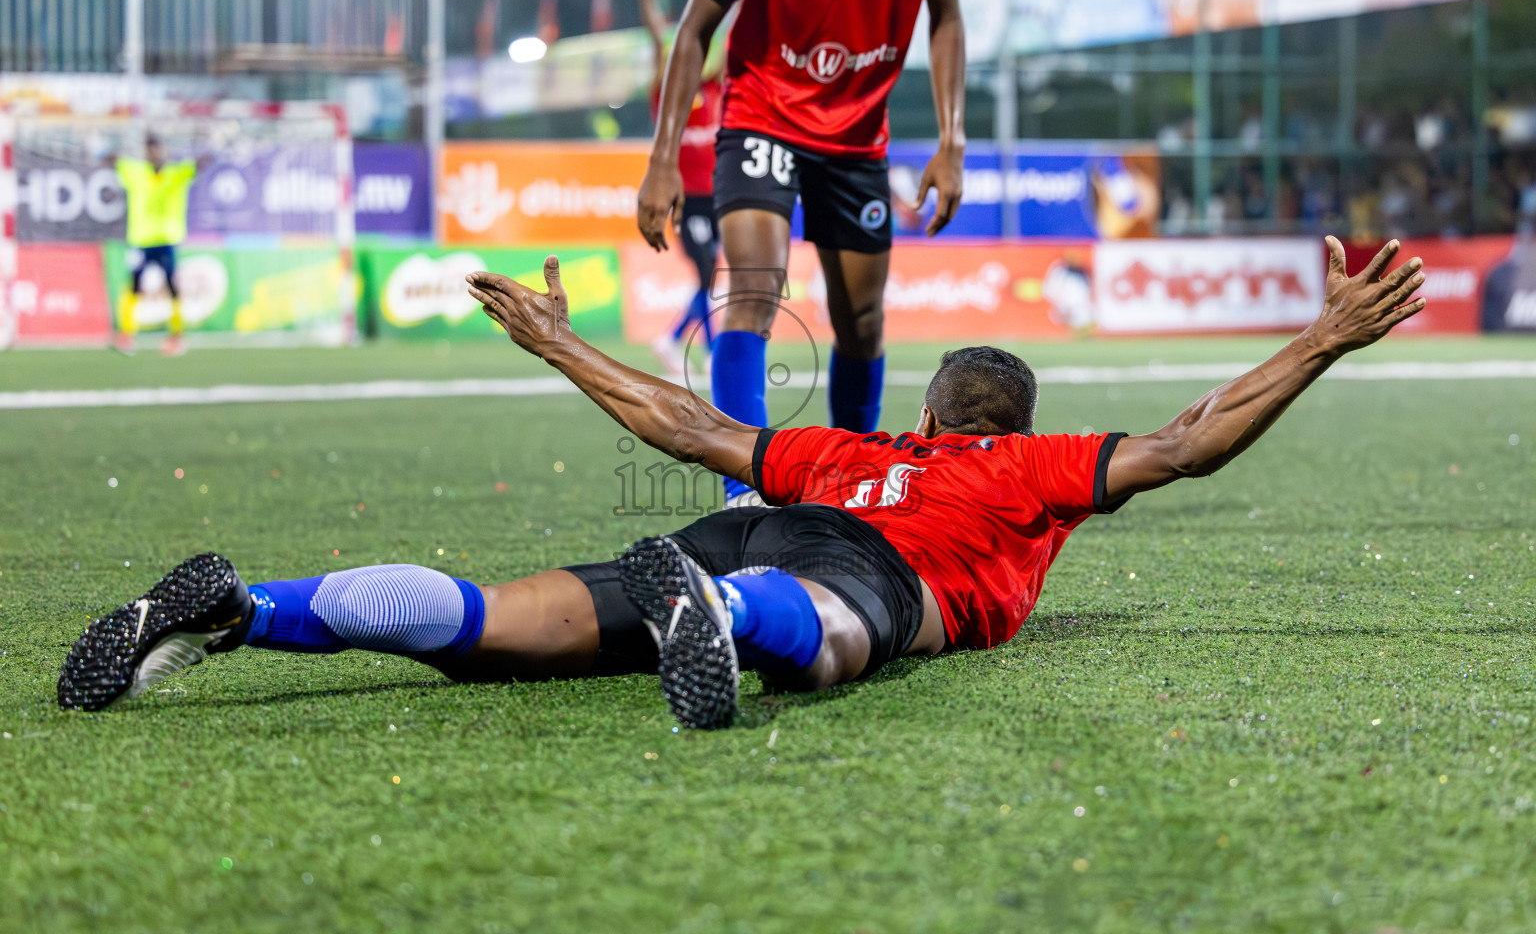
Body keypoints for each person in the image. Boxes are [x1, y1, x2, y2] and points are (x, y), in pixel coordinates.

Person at [57, 238, 1427, 731]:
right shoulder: (1031, 472)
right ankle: (737, 613)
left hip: (775, 508)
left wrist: (557, 341)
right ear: (1004, 424)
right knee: (840, 641)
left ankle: (249, 606)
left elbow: (685, 421)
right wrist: (1319, 338)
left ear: (928, 410)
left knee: (491, 623)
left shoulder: (853, 444)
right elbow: (1190, 438)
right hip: (875, 567)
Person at [635, 0, 973, 506]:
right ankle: (744, 491)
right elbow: (692, 28)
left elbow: (946, 16)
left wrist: (953, 142)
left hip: (857, 138)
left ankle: (858, 486)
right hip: (761, 118)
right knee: (752, 293)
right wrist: (662, 159)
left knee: (861, 322)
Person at [632, 0, 727, 375]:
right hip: (687, 200)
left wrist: (734, 1)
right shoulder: (666, 95)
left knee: (710, 275)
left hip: (719, 197)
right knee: (706, 272)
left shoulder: (714, 88)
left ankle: (683, 342)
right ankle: (691, 343)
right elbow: (658, 43)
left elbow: (726, 41)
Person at [106, 134, 202, 356]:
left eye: (156, 149)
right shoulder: (135, 171)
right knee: (134, 286)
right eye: (149, 150)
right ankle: (126, 334)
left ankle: (176, 335)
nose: (153, 154)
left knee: (171, 287)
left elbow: (199, 164)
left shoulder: (176, 172)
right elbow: (111, 160)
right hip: (140, 241)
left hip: (167, 240)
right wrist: (108, 147)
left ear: (163, 151)